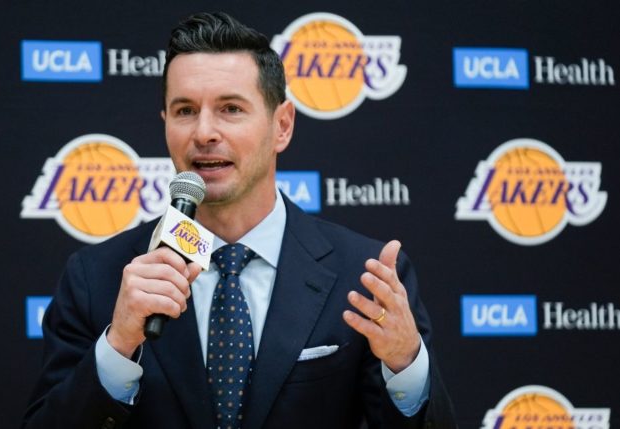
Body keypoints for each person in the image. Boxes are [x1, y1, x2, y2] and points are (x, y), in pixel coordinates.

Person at [23, 11, 456, 429]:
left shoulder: (365, 275)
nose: (204, 132)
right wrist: (118, 347)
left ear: (282, 125)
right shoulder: (96, 279)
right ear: (165, 124)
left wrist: (405, 365)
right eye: (185, 110)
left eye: (230, 108)